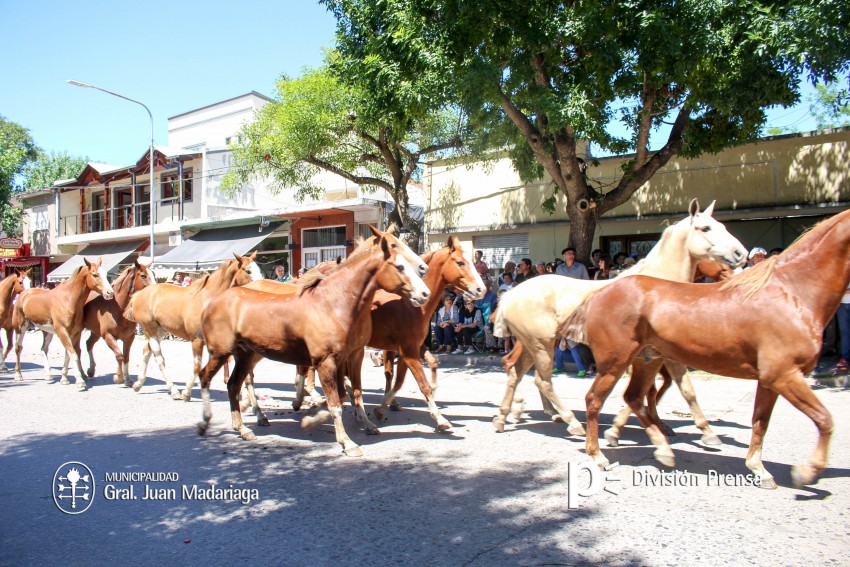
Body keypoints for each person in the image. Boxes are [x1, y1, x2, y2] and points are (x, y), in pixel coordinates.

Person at [474, 281, 499, 351]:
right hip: (480, 317)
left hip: (490, 317)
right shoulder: (479, 295)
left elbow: (494, 307)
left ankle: (492, 346)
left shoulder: (493, 295)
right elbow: (476, 307)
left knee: (487, 328)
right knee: (478, 313)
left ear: (488, 286)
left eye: (485, 286)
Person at [837, 281, 850, 373]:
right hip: (841, 305)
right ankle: (844, 358)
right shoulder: (840, 271)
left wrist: (843, 290)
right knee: (844, 331)